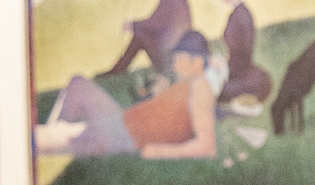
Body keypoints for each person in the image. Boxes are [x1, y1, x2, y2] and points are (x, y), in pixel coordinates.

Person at [45, 30, 217, 159]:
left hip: (125, 135)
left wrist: (160, 152)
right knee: (76, 91)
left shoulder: (200, 88)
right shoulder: (187, 83)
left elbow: (207, 146)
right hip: (123, 124)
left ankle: (57, 130)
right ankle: (58, 130)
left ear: (198, 61)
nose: (175, 64)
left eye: (180, 59)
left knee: (77, 88)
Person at [208, 0, 272, 108]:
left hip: (241, 76)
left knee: (209, 88)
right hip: (235, 70)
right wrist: (222, 61)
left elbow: (242, 55)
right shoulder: (236, 14)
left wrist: (222, 66)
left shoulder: (242, 16)